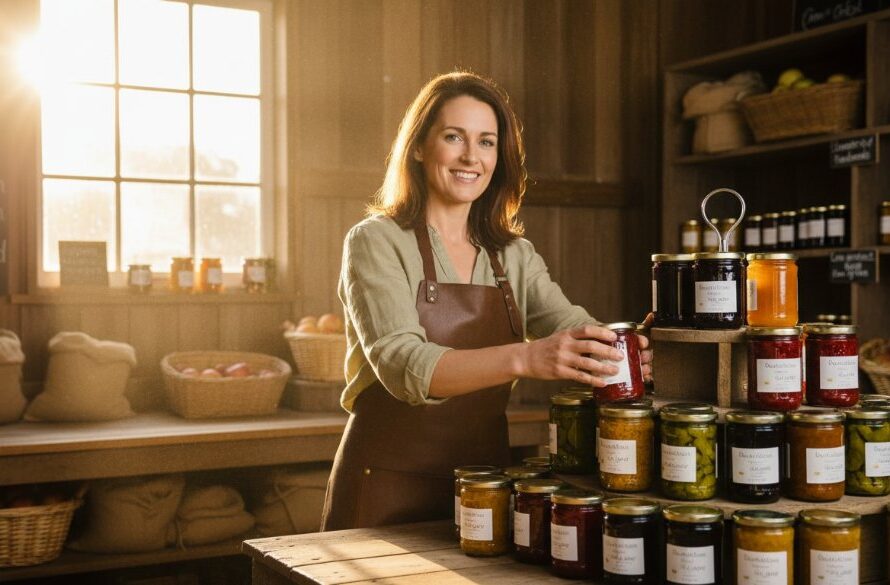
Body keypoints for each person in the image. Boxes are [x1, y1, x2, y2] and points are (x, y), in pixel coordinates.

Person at [320, 71, 652, 531]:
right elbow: (403, 366)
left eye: (487, 142)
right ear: (419, 147)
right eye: (453, 137)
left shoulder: (513, 254)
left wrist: (622, 352)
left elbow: (570, 326)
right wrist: (526, 357)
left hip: (486, 485)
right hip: (385, 483)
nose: (470, 157)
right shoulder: (376, 240)